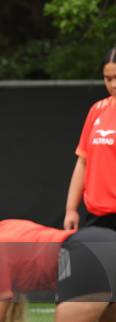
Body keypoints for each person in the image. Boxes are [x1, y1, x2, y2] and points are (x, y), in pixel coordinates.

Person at [64, 47, 116, 230]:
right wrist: (71, 209)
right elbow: (83, 162)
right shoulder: (97, 110)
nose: (113, 85)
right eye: (108, 79)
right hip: (97, 217)